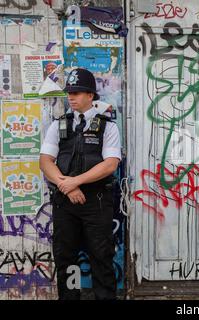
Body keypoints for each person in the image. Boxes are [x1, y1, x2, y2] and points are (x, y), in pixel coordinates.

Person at [39, 68, 121, 300]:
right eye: (69, 93)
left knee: (101, 257)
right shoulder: (60, 125)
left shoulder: (108, 127)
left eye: (77, 92)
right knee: (68, 260)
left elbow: (110, 165)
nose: (71, 97)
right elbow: (45, 162)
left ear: (90, 95)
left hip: (96, 203)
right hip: (66, 203)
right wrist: (68, 186)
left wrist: (76, 181)